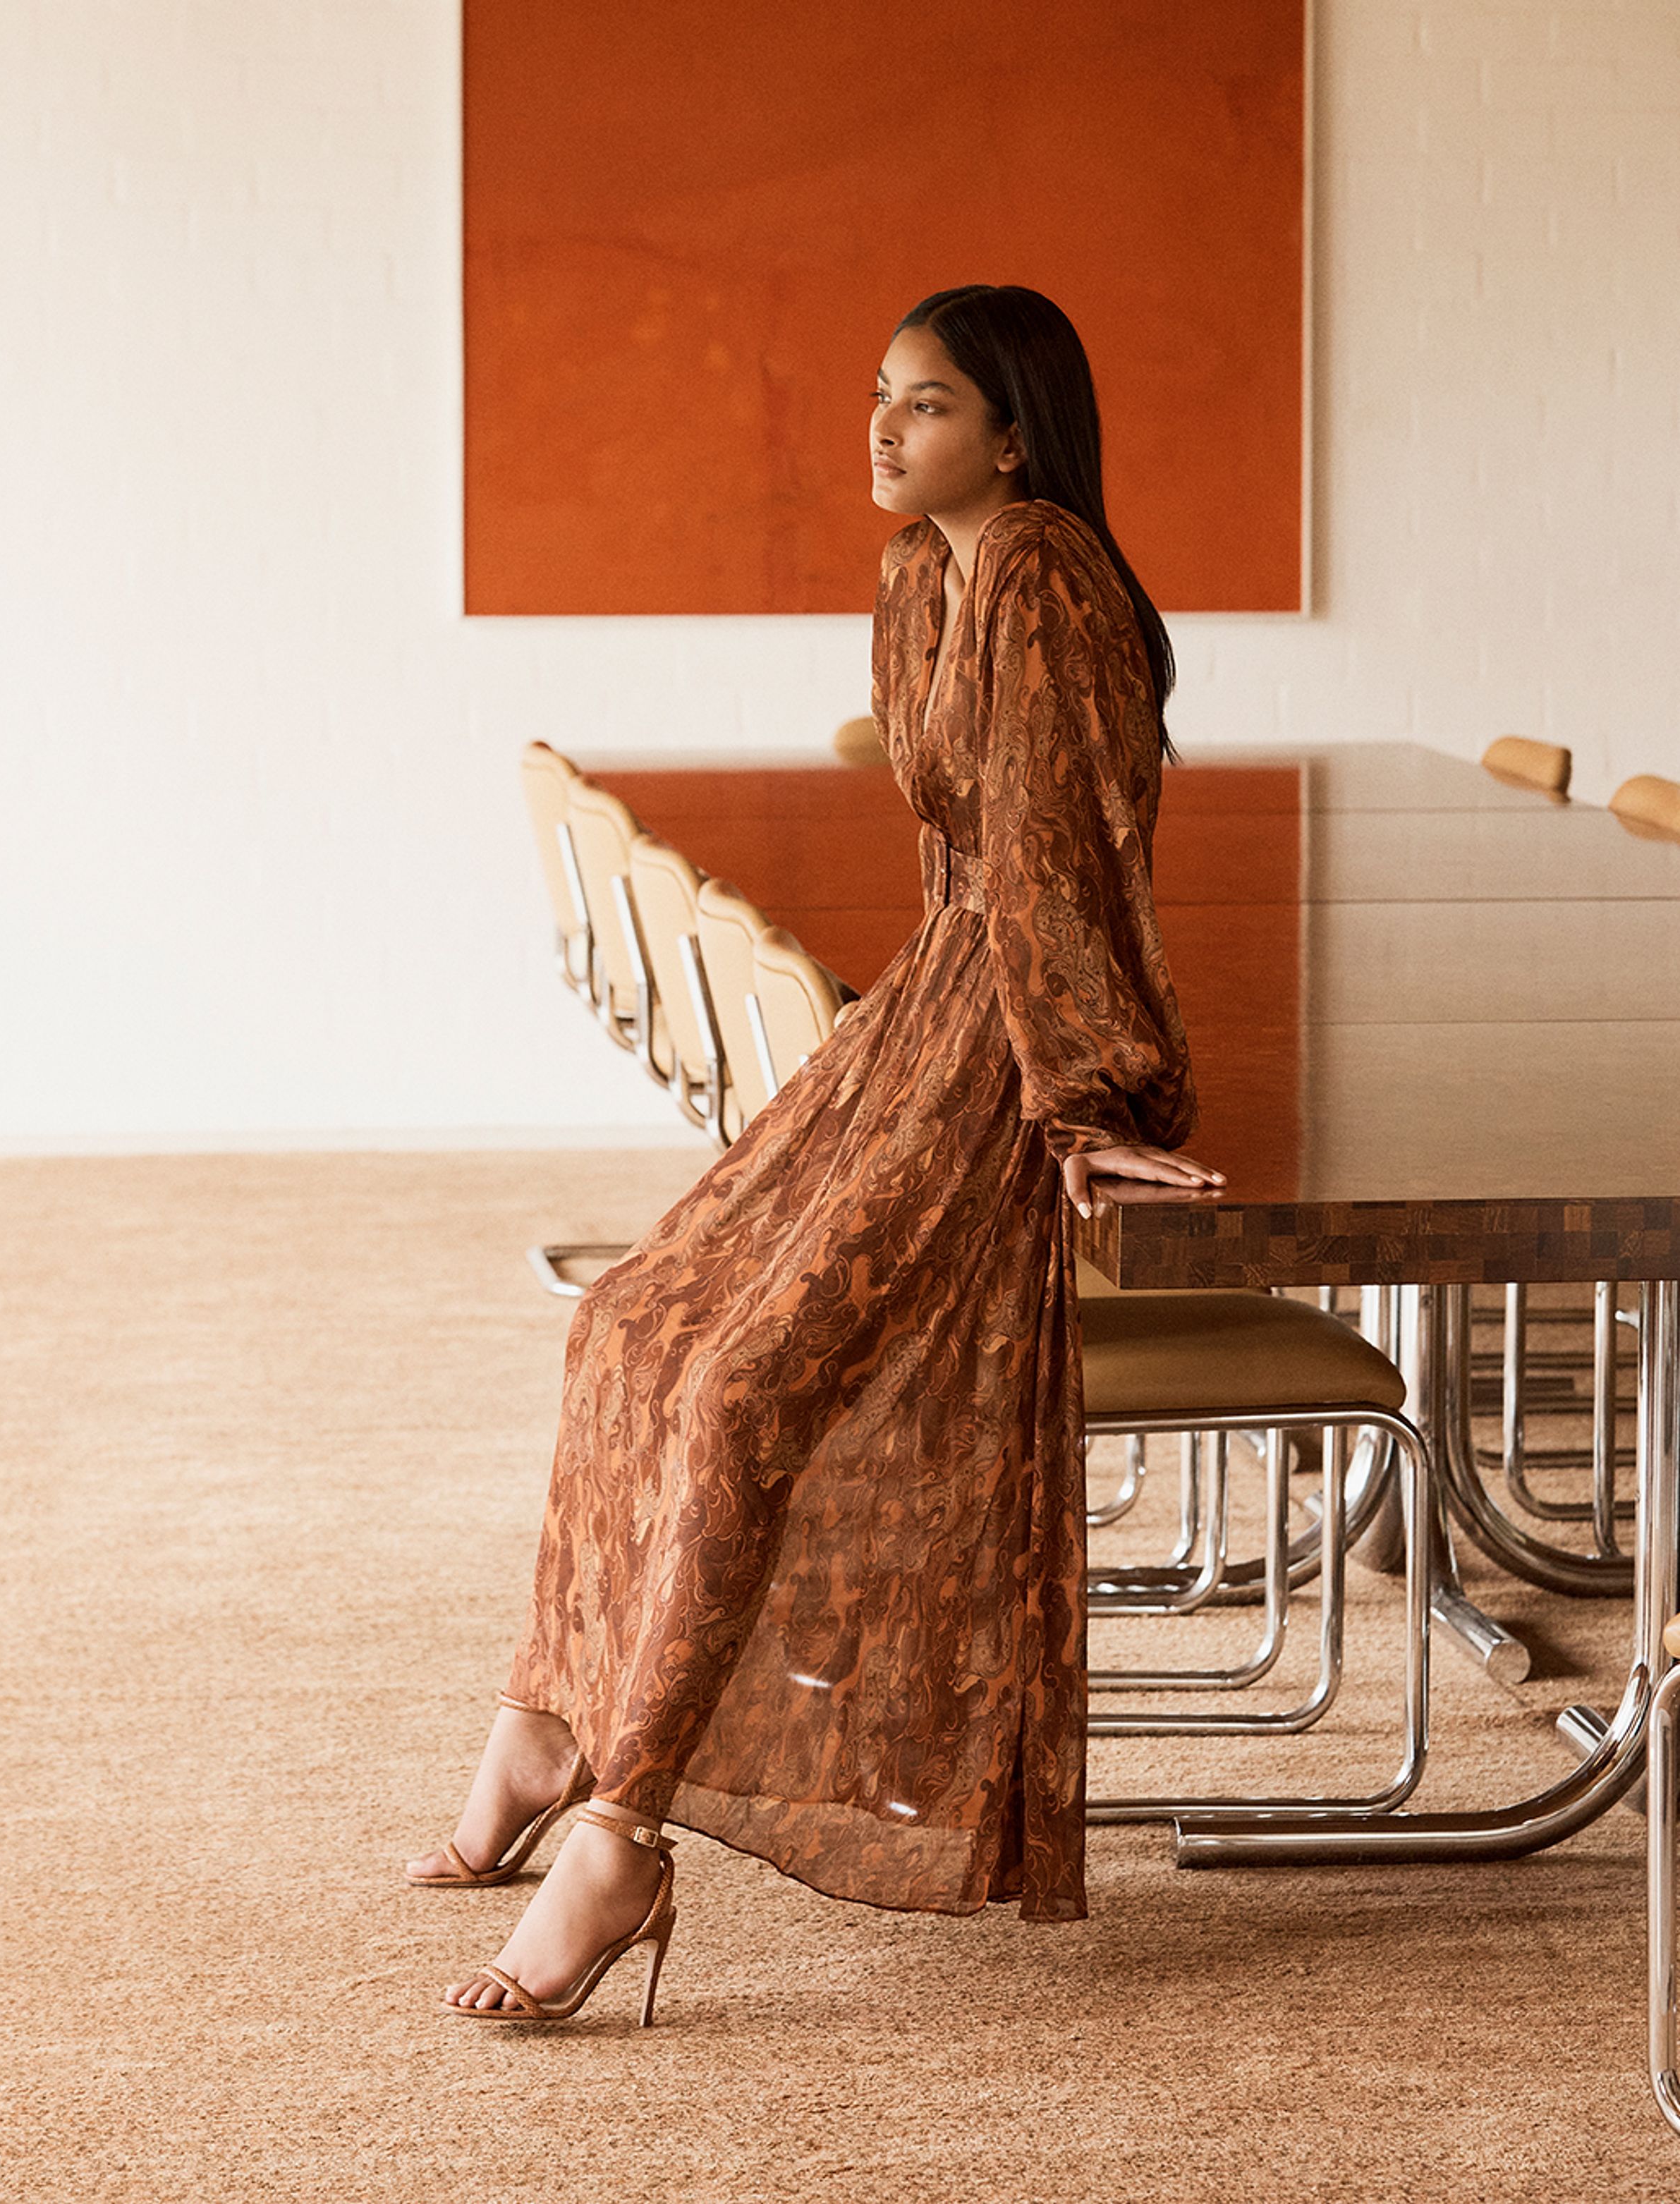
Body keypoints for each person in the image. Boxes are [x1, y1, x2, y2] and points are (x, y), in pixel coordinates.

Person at [413, 283, 1225, 2023]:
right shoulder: (921, 572)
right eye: (879, 395)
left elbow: (1059, 859)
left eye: (923, 406)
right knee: (631, 1318)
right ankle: (548, 1722)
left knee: (745, 1388)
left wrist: (1076, 1099)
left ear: (1011, 432)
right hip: (927, 1007)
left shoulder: (1044, 579)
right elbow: (964, 854)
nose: (881, 429)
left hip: (1002, 1041)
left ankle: (621, 1831)